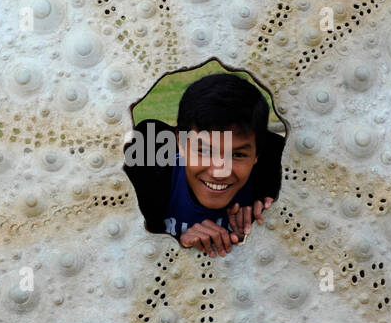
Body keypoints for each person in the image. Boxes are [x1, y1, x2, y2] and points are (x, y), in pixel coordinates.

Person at [122, 73, 285, 257]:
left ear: (257, 155)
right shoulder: (148, 172)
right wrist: (178, 245)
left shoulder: (270, 181)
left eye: (238, 154)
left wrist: (257, 233)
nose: (219, 172)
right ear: (181, 143)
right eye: (204, 151)